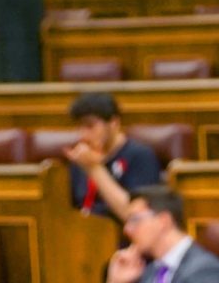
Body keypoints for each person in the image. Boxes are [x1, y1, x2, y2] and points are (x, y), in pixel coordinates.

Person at [99, 187, 219, 283]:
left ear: (163, 221)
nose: (127, 229)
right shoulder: (149, 271)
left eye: (135, 220)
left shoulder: (206, 270)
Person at [63, 91, 168, 221]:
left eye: (90, 126)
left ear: (114, 123)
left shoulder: (140, 156)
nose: (83, 135)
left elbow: (135, 217)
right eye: (79, 127)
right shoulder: (81, 159)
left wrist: (95, 169)